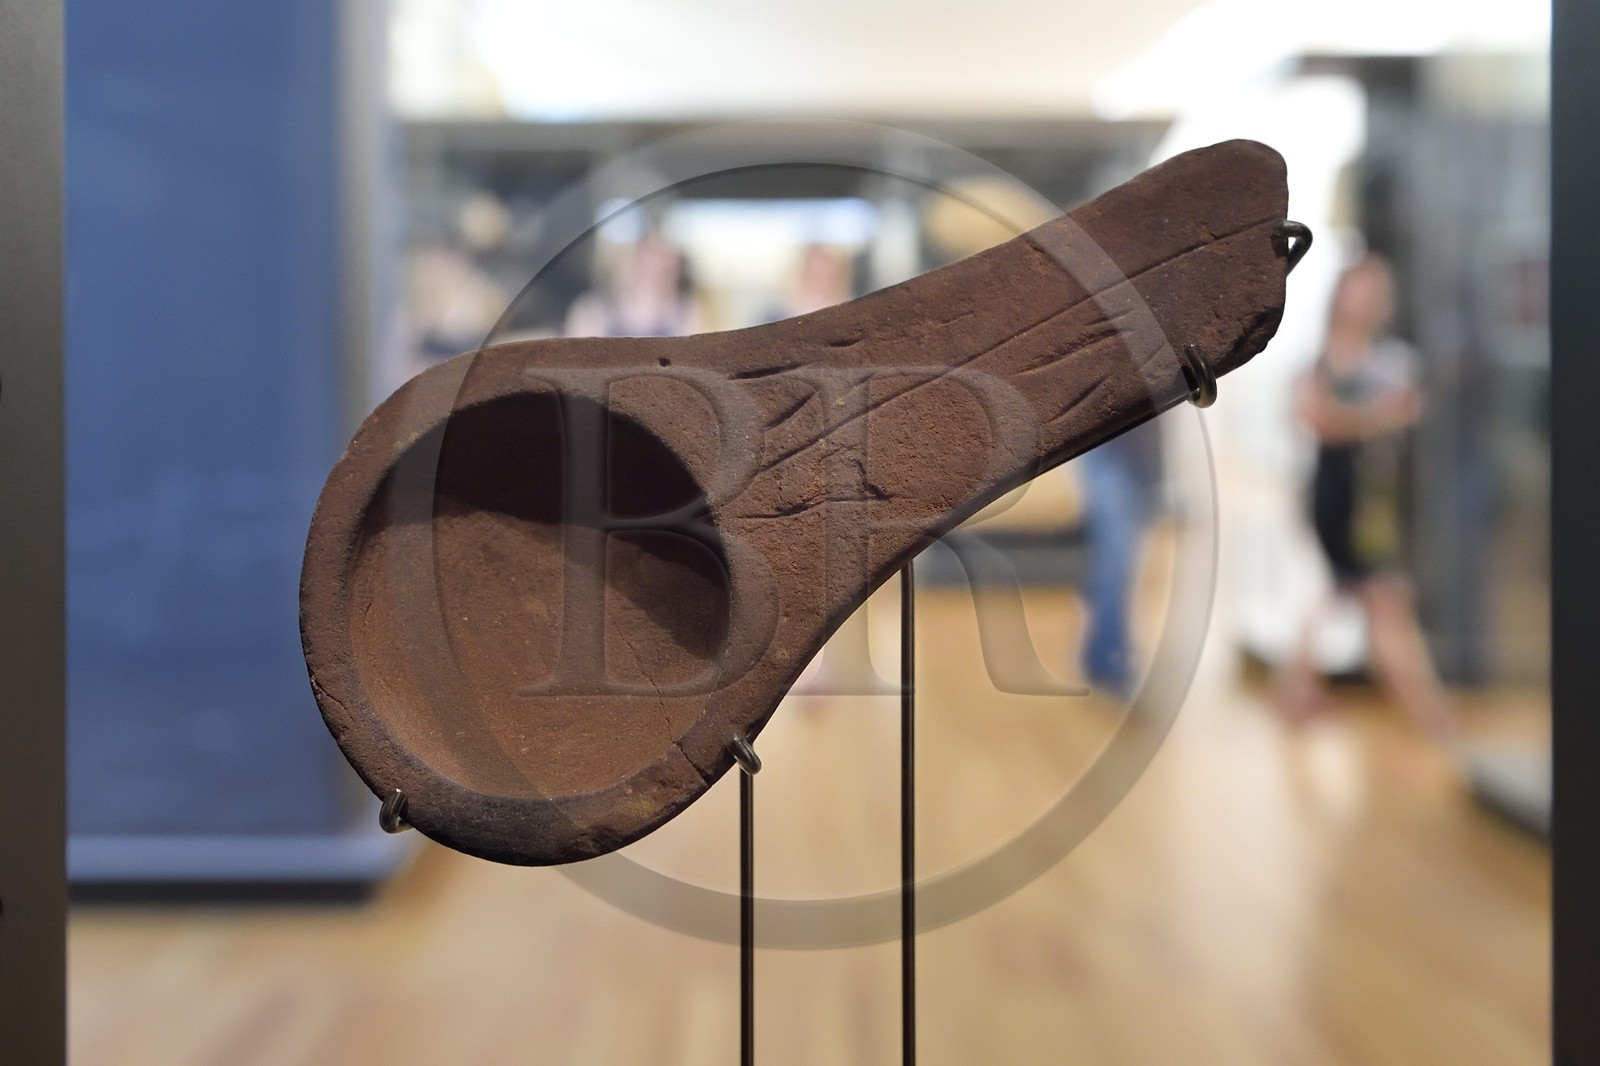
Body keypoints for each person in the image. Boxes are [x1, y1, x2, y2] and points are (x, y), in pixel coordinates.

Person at [1277, 254, 1455, 736]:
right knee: (1383, 597)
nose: (1369, 302)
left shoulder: (1393, 360)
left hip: (1375, 498)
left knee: (1350, 593)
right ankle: (1428, 713)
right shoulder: (1324, 361)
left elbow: (1410, 409)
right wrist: (1374, 417)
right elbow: (1315, 418)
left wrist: (1360, 418)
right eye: (1361, 292)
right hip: (1338, 496)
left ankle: (1297, 689)